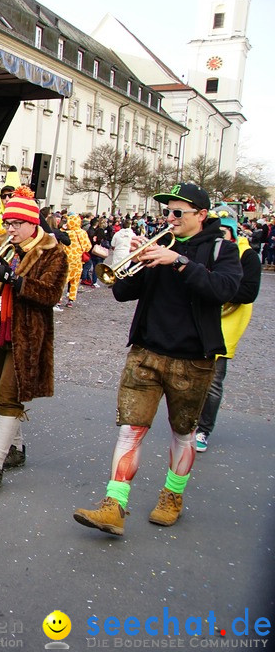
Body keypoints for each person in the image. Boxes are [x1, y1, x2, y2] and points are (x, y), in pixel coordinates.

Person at [73, 183, 242, 536]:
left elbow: (225, 290)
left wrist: (179, 261)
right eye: (167, 212)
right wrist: (129, 259)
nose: (170, 218)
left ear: (201, 215)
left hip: (192, 359)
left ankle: (172, 496)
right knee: (130, 429)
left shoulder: (220, 249)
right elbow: (121, 292)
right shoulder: (159, 246)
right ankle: (114, 505)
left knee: (183, 432)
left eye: (178, 213)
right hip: (146, 352)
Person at [0, 186, 68, 490]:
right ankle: (16, 450)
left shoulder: (52, 252)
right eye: (8, 223)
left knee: (8, 393)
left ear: (33, 223)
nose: (11, 229)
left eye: (17, 224)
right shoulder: (3, 243)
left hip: (26, 334)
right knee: (3, 394)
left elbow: (50, 294)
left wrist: (14, 279)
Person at [195, 204, 261, 453]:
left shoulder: (247, 256)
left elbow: (248, 292)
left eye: (224, 232)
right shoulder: (207, 249)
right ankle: (187, 422)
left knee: (213, 380)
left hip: (227, 320)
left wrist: (213, 287)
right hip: (201, 315)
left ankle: (203, 430)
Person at [59, 213, 91, 308]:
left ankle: (59, 299)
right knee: (75, 281)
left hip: (67, 260)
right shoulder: (83, 233)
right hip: (79, 260)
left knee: (63, 281)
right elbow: (88, 247)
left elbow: (60, 241)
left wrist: (62, 229)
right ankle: (71, 300)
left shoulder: (67, 233)